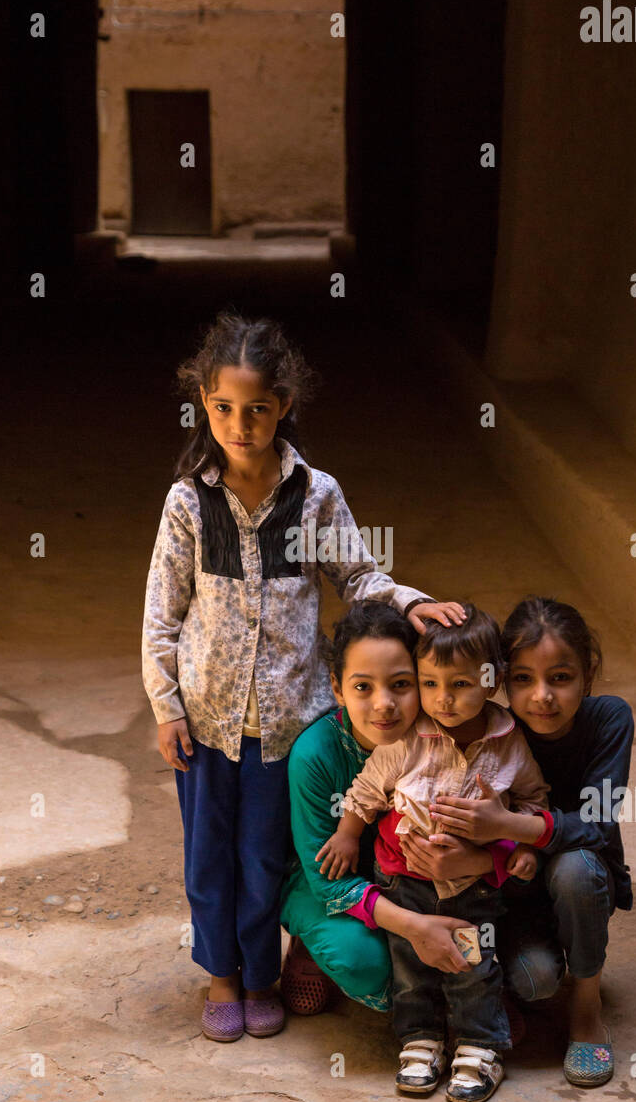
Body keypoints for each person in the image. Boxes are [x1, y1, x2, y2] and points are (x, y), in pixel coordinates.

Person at [141, 310, 463, 1043]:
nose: (240, 424)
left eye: (257, 409)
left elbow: (358, 574)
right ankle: (221, 976)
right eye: (224, 408)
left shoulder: (315, 495)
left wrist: (414, 603)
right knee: (208, 859)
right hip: (207, 722)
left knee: (268, 857)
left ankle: (263, 977)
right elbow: (162, 614)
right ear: (202, 400)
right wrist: (167, 707)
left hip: (288, 726)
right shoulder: (189, 501)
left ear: (283, 405)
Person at [316, 604, 548, 1102]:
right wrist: (348, 834)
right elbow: (368, 788)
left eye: (461, 685)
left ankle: (479, 1046)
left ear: (492, 681)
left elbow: (532, 799)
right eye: (430, 684)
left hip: (472, 887)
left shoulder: (510, 743)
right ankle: (420, 1041)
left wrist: (521, 848)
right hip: (407, 881)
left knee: (472, 966)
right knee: (411, 967)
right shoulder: (409, 740)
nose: (443, 699)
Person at [422, 596, 633, 1088]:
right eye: (523, 679)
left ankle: (585, 1007)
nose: (542, 696)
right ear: (498, 679)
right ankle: (507, 974)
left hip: (579, 882)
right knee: (536, 984)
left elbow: (598, 824)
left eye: (560, 678)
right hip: (507, 897)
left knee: (576, 865)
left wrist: (508, 826)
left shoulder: (608, 720)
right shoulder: (490, 728)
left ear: (588, 673)